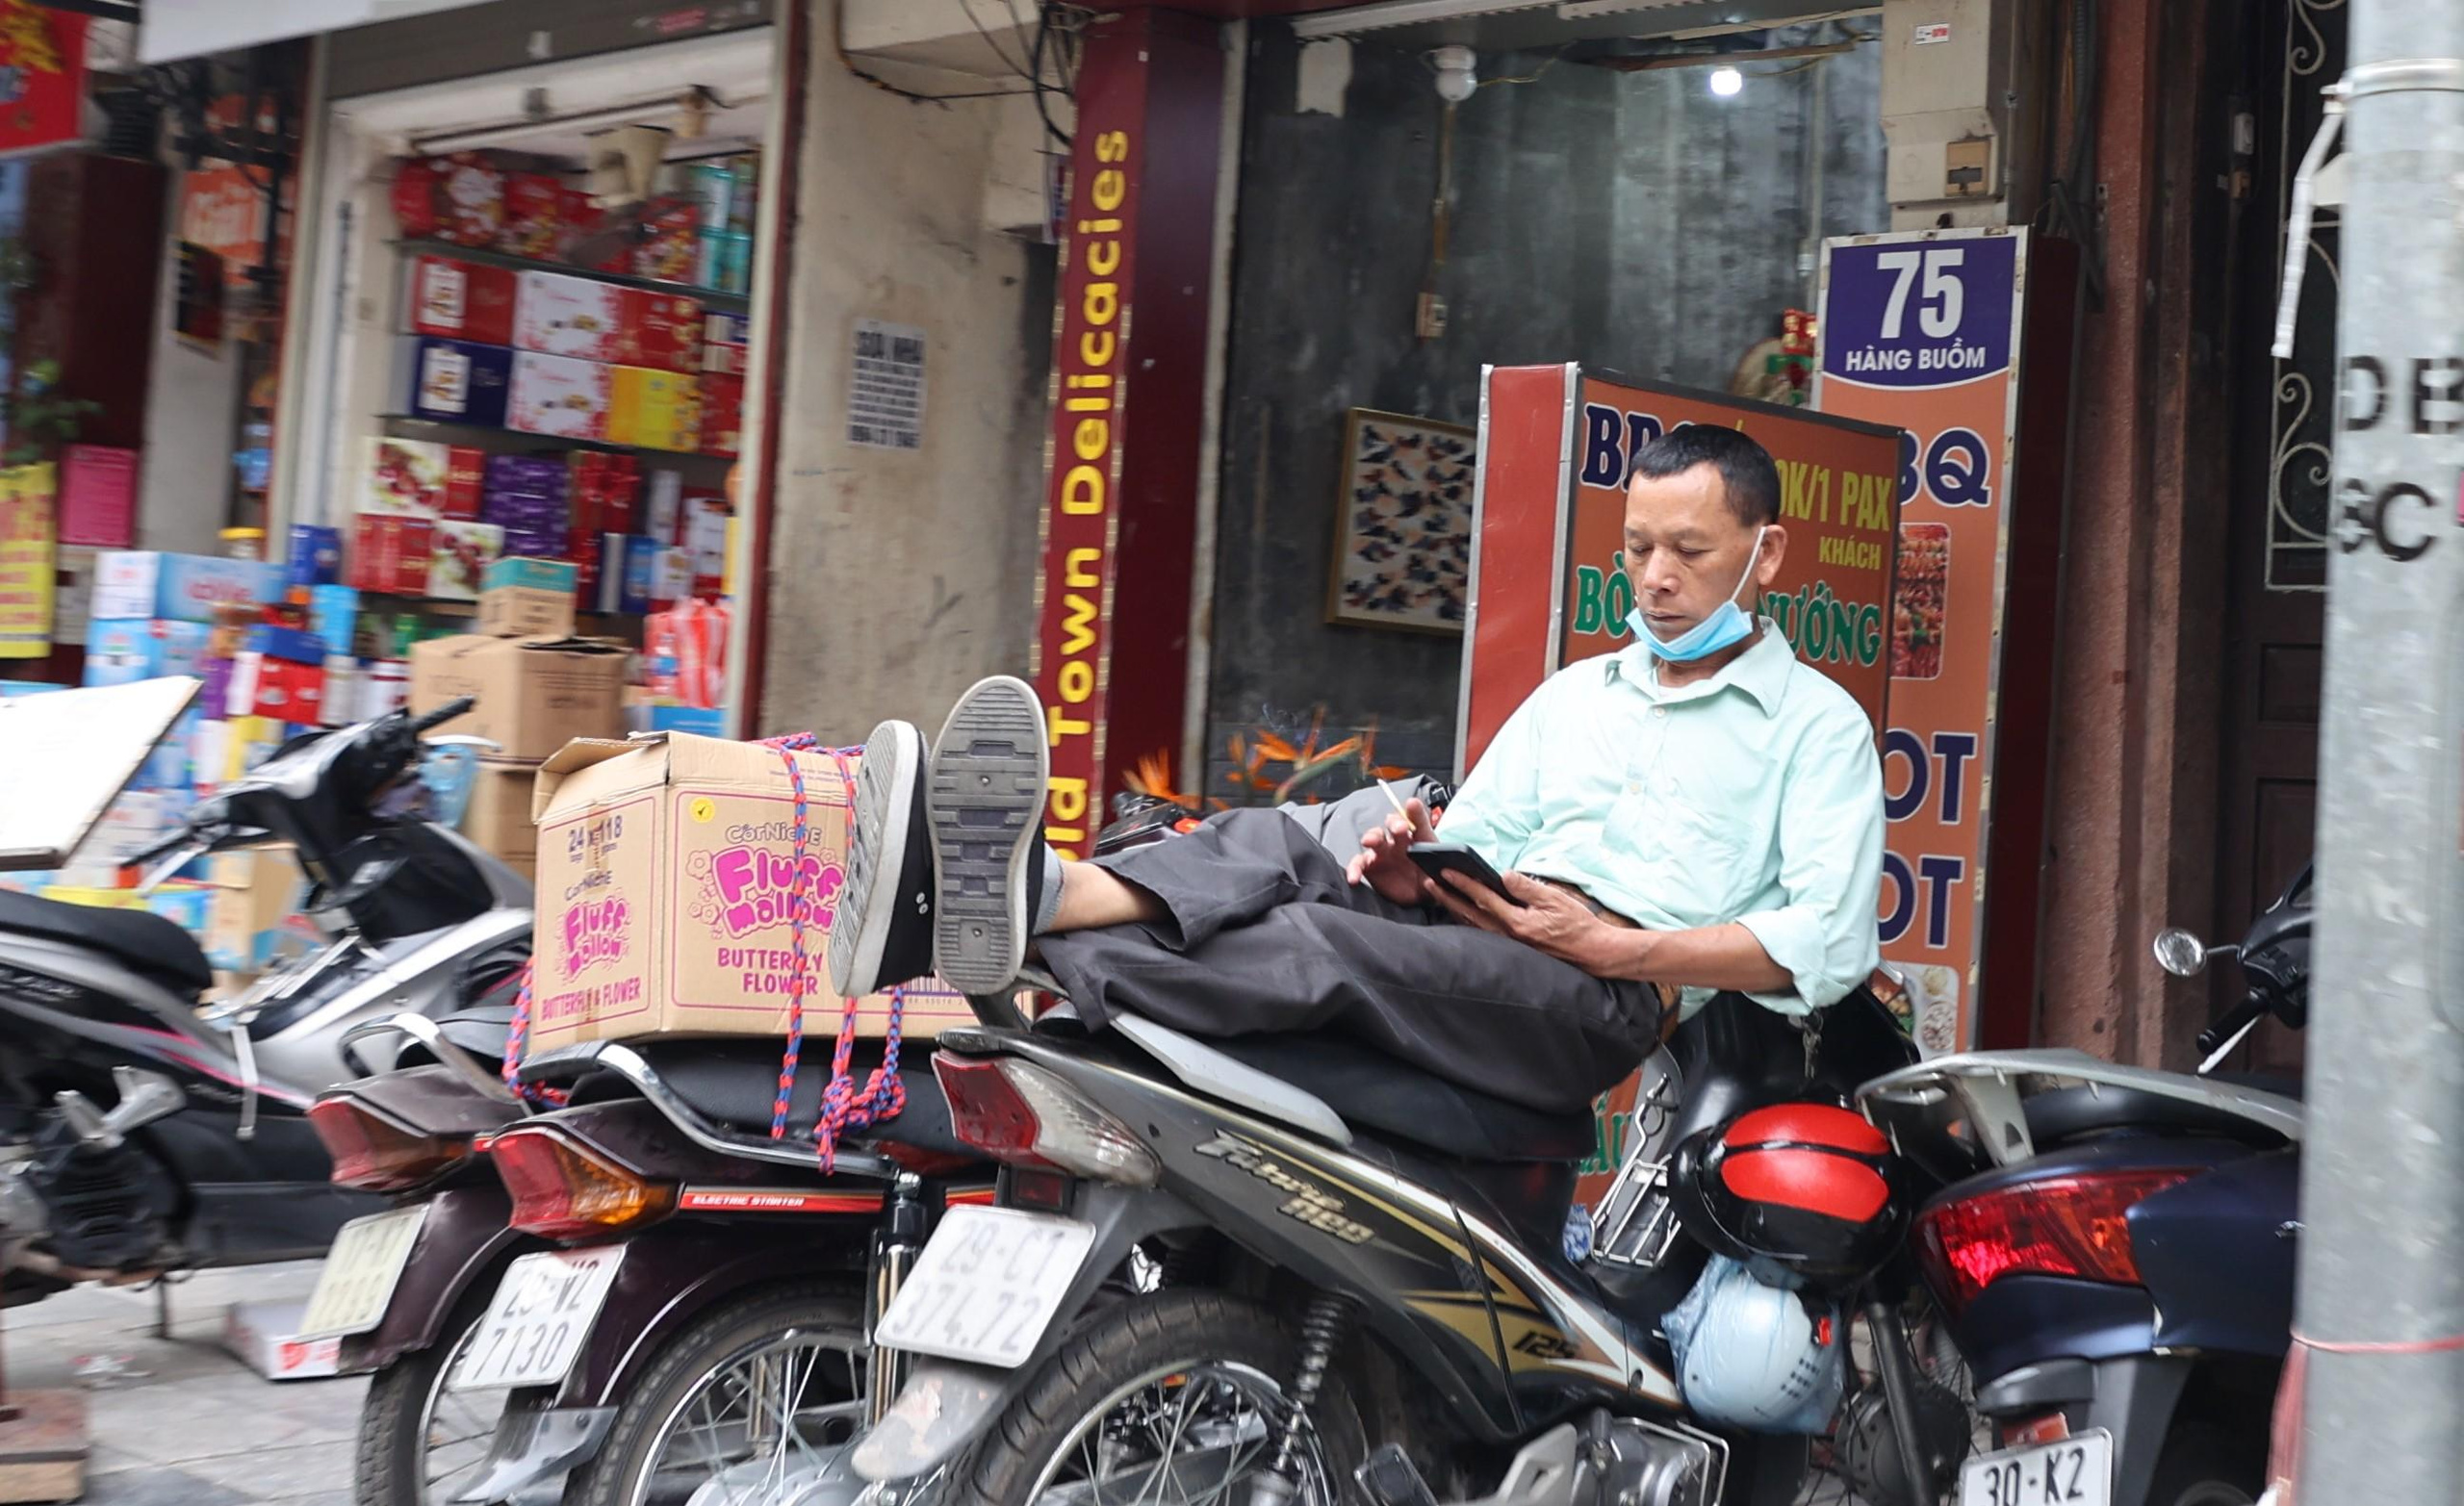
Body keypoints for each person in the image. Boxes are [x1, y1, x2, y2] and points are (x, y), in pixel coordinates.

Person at [828, 426, 1884, 1113]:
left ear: (1767, 553)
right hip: (1486, 920)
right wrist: (1416, 869)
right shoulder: (1581, 693)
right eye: (1637, 547)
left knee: (1302, 939)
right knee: (1282, 844)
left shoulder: (1813, 728)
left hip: (1598, 994)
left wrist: (1619, 942)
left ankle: (990, 940)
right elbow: (1483, 836)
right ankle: (1031, 892)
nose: (1655, 578)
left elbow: (1825, 944)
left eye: (1689, 551)